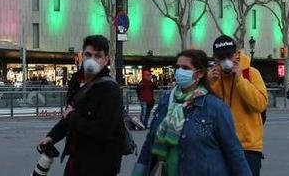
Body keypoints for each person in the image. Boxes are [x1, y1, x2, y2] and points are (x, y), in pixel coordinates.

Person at [131, 49, 251, 176]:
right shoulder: (167, 101)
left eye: (185, 68)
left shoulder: (215, 108)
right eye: (178, 67)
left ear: (199, 74)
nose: (180, 71)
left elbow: (233, 151)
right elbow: (149, 143)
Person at [38, 35, 125, 176]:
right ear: (82, 56)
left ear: (106, 60)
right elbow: (68, 116)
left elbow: (103, 129)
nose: (92, 60)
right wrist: (52, 137)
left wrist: (72, 117)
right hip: (75, 161)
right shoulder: (76, 81)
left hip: (100, 165)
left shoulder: (110, 90)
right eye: (88, 55)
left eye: (98, 56)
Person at [208, 35, 268, 176]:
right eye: (221, 57)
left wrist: (240, 80)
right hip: (220, 147)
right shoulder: (213, 78)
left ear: (236, 54)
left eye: (229, 56)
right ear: (215, 59)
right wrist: (207, 83)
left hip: (248, 148)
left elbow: (260, 104)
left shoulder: (251, 73)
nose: (226, 61)